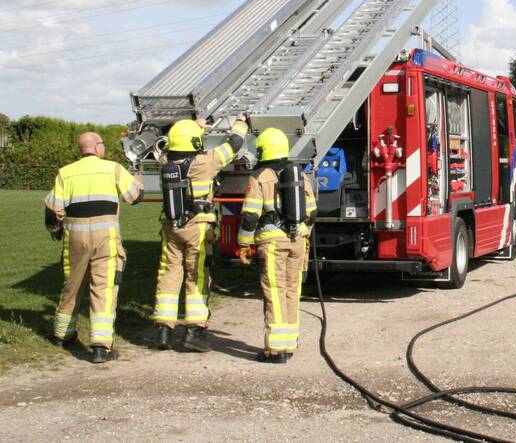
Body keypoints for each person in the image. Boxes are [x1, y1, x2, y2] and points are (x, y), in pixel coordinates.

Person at [152, 113, 249, 352]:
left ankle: (163, 330)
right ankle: (193, 332)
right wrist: (241, 122)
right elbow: (234, 145)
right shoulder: (207, 162)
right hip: (198, 227)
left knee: (169, 274)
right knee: (197, 276)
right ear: (195, 142)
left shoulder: (165, 162)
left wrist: (195, 128)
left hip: (171, 227)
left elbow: (172, 145)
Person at [44, 132, 144, 363]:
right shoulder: (113, 168)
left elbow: (52, 210)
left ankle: (62, 335)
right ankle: (101, 346)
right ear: (98, 147)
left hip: (75, 238)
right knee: (103, 288)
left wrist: (55, 230)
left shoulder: (65, 172)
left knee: (72, 285)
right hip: (105, 239)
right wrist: (137, 181)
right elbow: (135, 197)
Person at [237, 127, 317, 364]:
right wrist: (302, 232)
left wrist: (243, 243)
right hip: (298, 240)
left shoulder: (260, 176)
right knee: (292, 290)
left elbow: (250, 216)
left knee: (274, 291)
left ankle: (275, 350)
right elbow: (312, 211)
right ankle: (289, 344)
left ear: (262, 149)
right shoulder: (299, 174)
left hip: (272, 243)